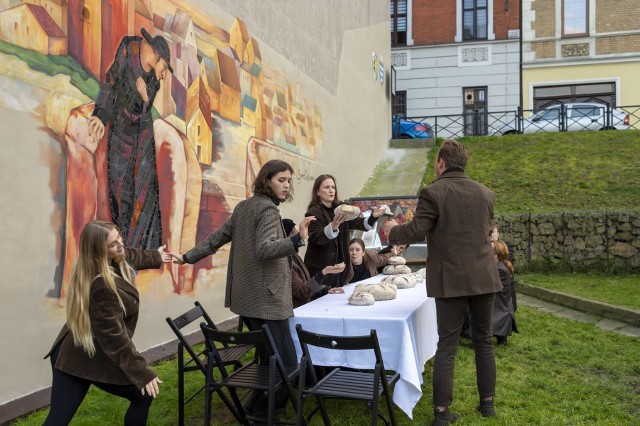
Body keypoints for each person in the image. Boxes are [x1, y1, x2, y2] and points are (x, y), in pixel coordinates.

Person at [169, 160, 310, 417]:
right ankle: (269, 414)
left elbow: (217, 238)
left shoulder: (245, 206)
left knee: (268, 359)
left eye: (289, 180)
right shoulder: (267, 210)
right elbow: (265, 249)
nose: (286, 185)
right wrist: (297, 238)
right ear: (266, 180)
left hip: (247, 300)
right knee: (288, 363)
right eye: (281, 179)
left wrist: (187, 257)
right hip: (268, 300)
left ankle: (256, 407)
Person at [388, 139, 502, 425]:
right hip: (484, 278)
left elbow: (416, 230)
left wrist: (391, 230)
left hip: (451, 280)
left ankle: (441, 413)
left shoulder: (433, 191)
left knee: (447, 345)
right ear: (463, 162)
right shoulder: (485, 192)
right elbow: (490, 228)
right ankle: (487, 405)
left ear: (441, 162)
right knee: (483, 340)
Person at [44, 221, 171, 425]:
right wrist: (141, 372)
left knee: (143, 396)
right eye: (113, 244)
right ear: (98, 251)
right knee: (59, 418)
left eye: (119, 238)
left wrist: (156, 256)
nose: (120, 245)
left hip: (93, 349)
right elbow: (115, 338)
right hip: (75, 357)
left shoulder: (111, 257)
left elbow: (129, 255)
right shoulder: (101, 284)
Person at [88, 28, 173, 249]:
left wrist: (145, 96)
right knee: (119, 188)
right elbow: (111, 81)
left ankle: (141, 252)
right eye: (164, 67)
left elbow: (145, 109)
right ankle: (121, 247)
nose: (163, 74)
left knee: (145, 192)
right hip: (121, 131)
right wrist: (99, 114)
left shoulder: (154, 80)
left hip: (143, 136)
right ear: (156, 55)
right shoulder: (128, 48)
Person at [304, 174, 387, 287]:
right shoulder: (313, 212)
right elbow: (317, 238)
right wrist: (333, 226)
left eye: (333, 187)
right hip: (321, 269)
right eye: (326, 187)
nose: (331, 190)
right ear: (318, 191)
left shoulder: (342, 208)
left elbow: (358, 222)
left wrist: (373, 217)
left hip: (341, 268)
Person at [282, 219, 345, 308]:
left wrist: (325, 290)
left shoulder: (294, 256)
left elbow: (306, 283)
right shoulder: (285, 262)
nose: (302, 235)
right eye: (296, 232)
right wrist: (324, 272)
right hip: (298, 312)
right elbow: (303, 291)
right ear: (288, 237)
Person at [492, 240, 518, 346]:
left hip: (501, 305)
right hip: (502, 303)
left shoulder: (500, 269)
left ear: (496, 255)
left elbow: (497, 288)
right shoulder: (500, 266)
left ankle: (501, 338)